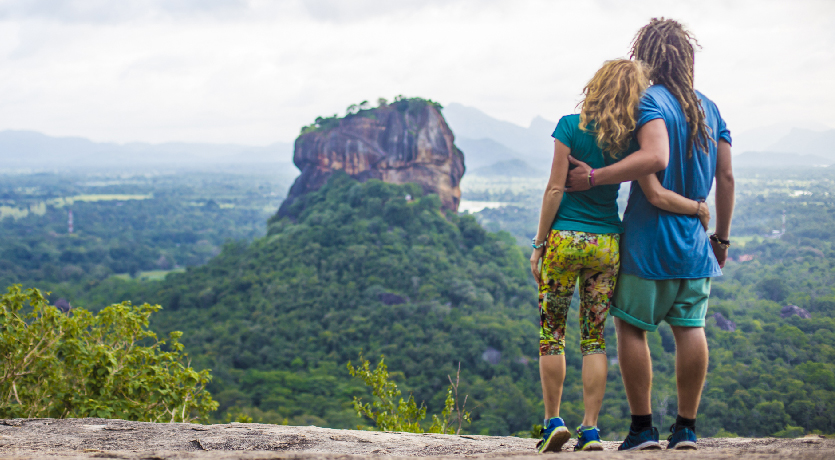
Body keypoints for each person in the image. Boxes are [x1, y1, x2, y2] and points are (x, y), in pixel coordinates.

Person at [565, 18, 735, 451]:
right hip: (696, 245)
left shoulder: (647, 103)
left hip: (648, 242)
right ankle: (687, 428)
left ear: (647, 55)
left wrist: (597, 177)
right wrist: (720, 238)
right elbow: (727, 178)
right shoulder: (709, 109)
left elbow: (652, 178)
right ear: (686, 57)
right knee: (691, 328)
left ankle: (642, 428)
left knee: (632, 329)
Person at [530, 59, 710, 453]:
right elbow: (653, 189)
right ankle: (591, 430)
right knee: (594, 338)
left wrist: (539, 243)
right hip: (607, 243)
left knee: (552, 334)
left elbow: (555, 190)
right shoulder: (628, 139)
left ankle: (552, 423)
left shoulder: (568, 125)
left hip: (564, 241)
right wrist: (698, 208)